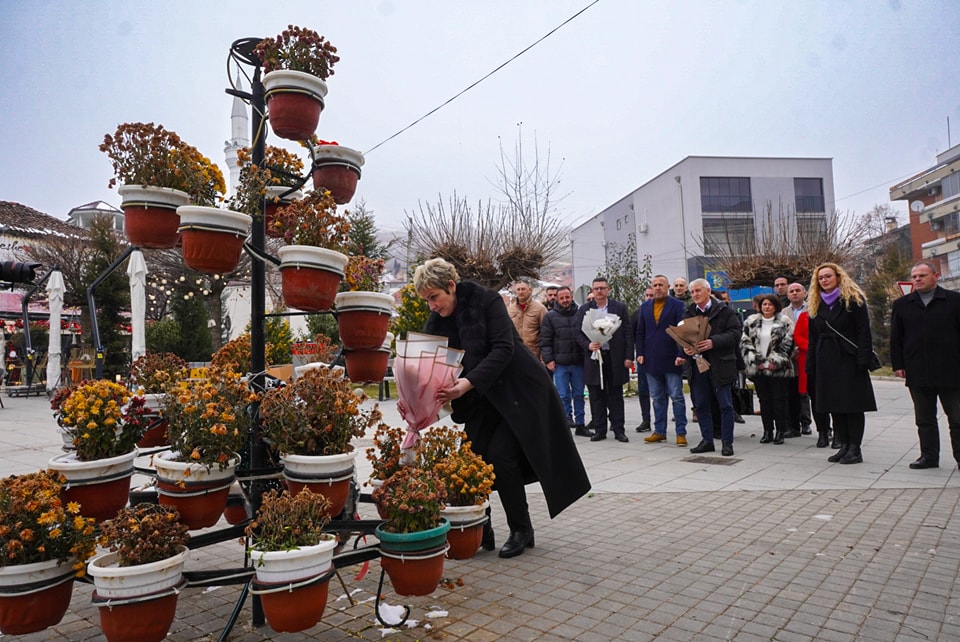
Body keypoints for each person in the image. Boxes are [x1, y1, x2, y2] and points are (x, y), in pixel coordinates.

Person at [413, 258, 590, 558]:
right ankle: (481, 529)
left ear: (451, 287)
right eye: (426, 299)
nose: (431, 305)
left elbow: (503, 349)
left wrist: (466, 383)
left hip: (518, 391)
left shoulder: (487, 301)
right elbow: (430, 365)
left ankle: (521, 529)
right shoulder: (438, 321)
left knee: (500, 457)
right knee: (472, 459)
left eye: (434, 297)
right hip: (481, 399)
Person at [890, 260, 960, 470]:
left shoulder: (954, 301)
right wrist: (898, 364)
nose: (917, 279)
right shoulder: (903, 304)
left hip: (951, 370)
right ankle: (929, 456)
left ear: (936, 276)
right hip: (918, 369)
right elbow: (896, 338)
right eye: (914, 276)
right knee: (924, 418)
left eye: (922, 275)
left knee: (957, 418)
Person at [806, 262, 877, 465]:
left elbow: (864, 332)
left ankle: (855, 448)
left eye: (828, 276)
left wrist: (862, 359)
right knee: (834, 405)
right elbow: (813, 337)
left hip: (849, 358)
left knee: (852, 405)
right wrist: (811, 363)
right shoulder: (815, 303)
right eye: (821, 278)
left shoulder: (853, 299)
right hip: (825, 359)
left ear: (838, 277)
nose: (824, 280)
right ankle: (843, 445)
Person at [682, 278, 742, 456]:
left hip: (721, 364)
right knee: (701, 404)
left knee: (725, 405)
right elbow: (683, 334)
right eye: (692, 292)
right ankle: (707, 440)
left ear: (708, 291)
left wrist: (713, 342)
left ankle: (727, 442)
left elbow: (735, 333)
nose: (695, 295)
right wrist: (685, 348)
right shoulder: (689, 312)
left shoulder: (724, 310)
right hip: (698, 365)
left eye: (698, 291)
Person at [575, 277, 634, 443]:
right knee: (596, 395)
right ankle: (600, 430)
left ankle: (618, 430)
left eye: (602, 288)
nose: (599, 291)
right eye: (596, 289)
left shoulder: (619, 307)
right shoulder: (585, 309)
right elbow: (578, 333)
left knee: (615, 395)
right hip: (594, 358)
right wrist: (588, 345)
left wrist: (629, 356)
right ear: (592, 291)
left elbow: (628, 333)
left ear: (608, 290)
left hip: (615, 358)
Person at [636, 275, 688, 446]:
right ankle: (659, 431)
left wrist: (682, 354)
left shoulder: (678, 306)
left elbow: (682, 331)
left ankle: (681, 432)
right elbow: (641, 332)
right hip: (651, 359)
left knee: (677, 396)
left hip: (672, 358)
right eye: (655, 285)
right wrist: (640, 353)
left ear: (668, 287)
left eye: (661, 285)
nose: (657, 288)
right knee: (657, 397)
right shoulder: (644, 307)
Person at [740, 294, 795, 444]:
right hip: (758, 369)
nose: (767, 307)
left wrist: (774, 361)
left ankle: (780, 431)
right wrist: (757, 360)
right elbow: (745, 342)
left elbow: (789, 344)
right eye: (764, 304)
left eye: (770, 304)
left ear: (776, 306)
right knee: (764, 400)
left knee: (779, 400)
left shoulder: (785, 322)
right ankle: (767, 431)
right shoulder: (751, 321)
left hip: (778, 369)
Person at [540, 286, 592, 437]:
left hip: (578, 362)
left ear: (571, 296)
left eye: (567, 297)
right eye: (561, 298)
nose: (565, 300)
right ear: (557, 299)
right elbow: (545, 340)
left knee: (579, 395)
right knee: (563, 395)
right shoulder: (550, 317)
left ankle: (581, 424)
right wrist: (549, 359)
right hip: (560, 363)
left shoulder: (581, 313)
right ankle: (565, 423)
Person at [793, 308, 832, 447]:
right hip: (809, 359)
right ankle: (822, 431)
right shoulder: (805, 316)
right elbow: (797, 335)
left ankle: (837, 432)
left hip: (830, 359)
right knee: (815, 398)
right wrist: (811, 347)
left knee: (833, 398)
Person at [785, 282, 813, 437]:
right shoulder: (783, 312)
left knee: (805, 392)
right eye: (791, 291)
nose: (794, 293)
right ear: (788, 295)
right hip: (790, 358)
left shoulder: (812, 310)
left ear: (804, 293)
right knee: (792, 392)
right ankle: (792, 425)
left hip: (807, 355)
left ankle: (806, 423)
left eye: (797, 290)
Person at [629, 286, 655, 433]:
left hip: (660, 357)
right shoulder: (638, 313)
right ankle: (646, 419)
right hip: (643, 358)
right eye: (647, 295)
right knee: (643, 390)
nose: (649, 298)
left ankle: (659, 421)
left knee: (660, 392)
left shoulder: (663, 312)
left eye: (651, 295)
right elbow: (633, 334)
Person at [507, 278, 547, 360]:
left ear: (530, 290)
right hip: (515, 354)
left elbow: (546, 334)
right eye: (518, 289)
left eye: (523, 289)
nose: (520, 292)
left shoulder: (540, 309)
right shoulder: (510, 310)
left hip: (533, 355)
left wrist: (544, 358)